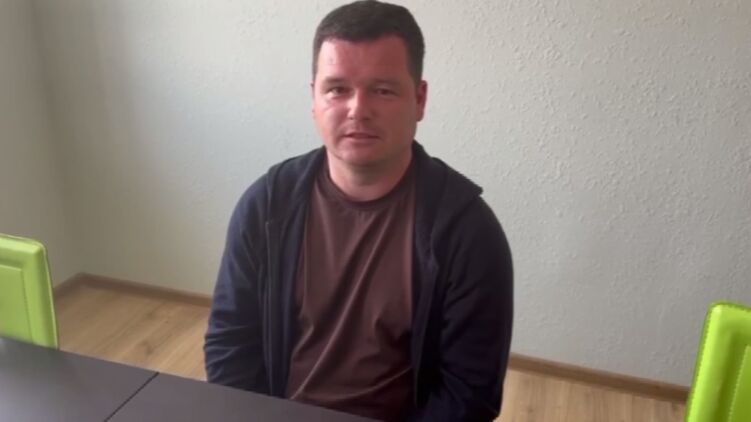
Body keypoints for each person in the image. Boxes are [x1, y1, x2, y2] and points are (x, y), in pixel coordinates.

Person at [204, 1, 513, 421]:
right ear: (313, 98)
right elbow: (230, 344)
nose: (357, 110)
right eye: (337, 89)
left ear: (419, 99)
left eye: (383, 90)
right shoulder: (266, 206)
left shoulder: (468, 231)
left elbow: (470, 393)